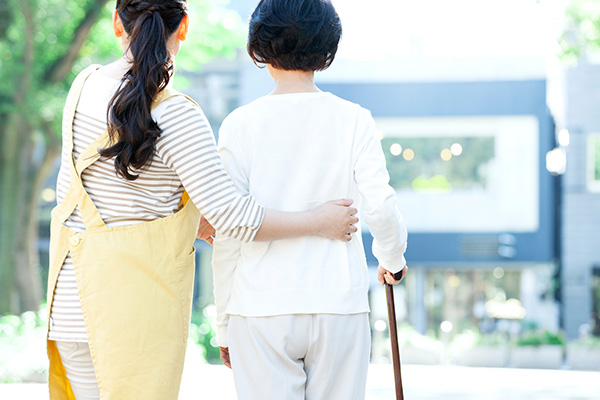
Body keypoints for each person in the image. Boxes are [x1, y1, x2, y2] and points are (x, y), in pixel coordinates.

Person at [46, 1, 359, 399]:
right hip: (132, 314)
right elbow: (235, 218)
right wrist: (318, 221)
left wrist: (192, 219)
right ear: (184, 27)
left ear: (116, 24)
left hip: (69, 305)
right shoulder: (177, 116)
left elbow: (107, 194)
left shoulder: (84, 85)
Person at [211, 1, 409, 399]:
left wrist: (223, 323)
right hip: (339, 302)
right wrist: (392, 260)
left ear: (259, 48)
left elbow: (228, 231)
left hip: (260, 307)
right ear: (327, 49)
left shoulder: (239, 125)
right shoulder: (355, 119)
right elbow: (381, 209)